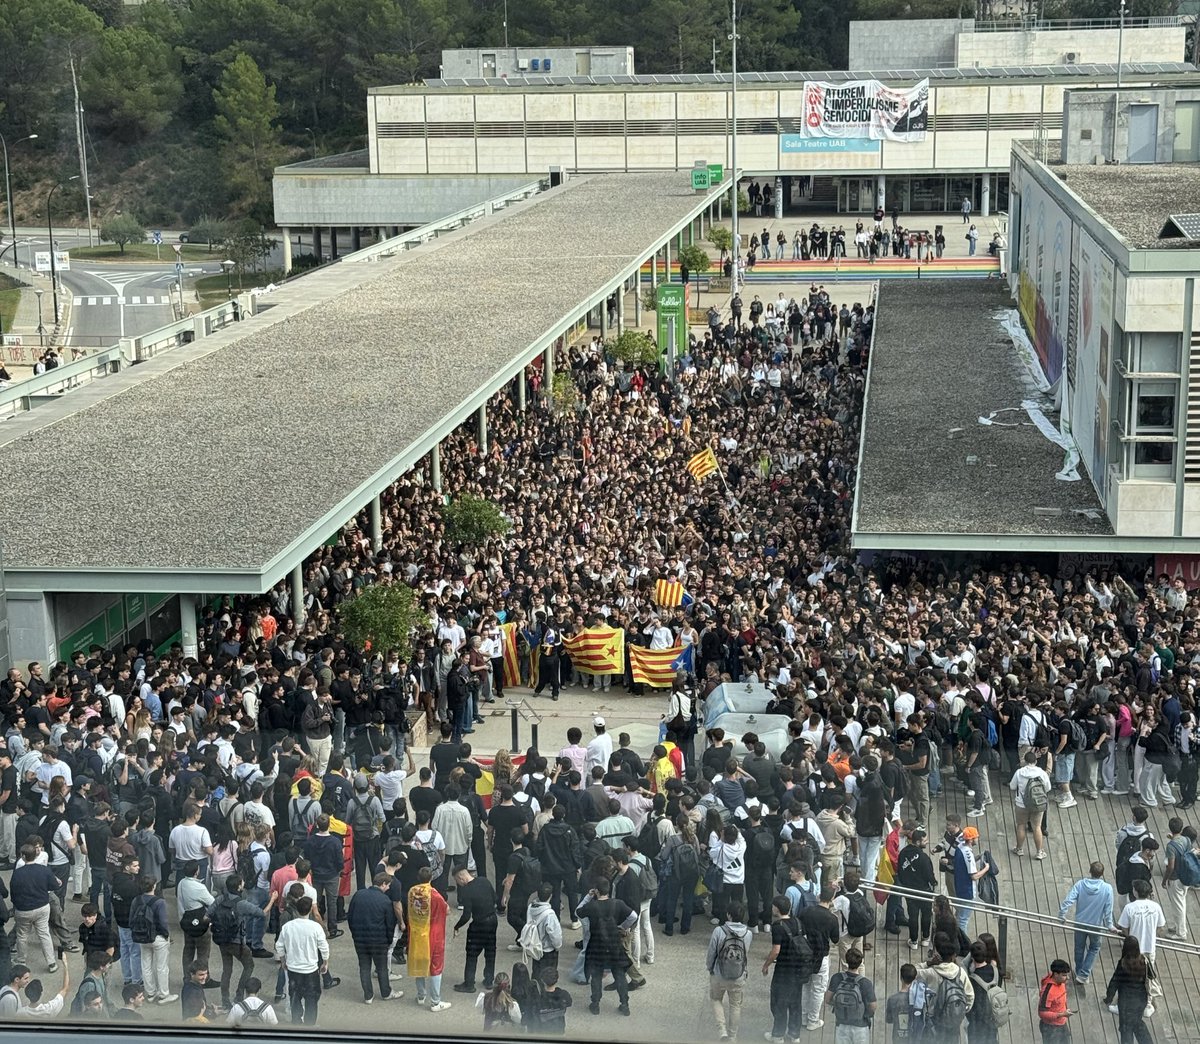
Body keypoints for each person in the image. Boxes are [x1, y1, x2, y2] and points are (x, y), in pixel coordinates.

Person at [208, 871, 274, 1010]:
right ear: (239, 887)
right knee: (249, 965)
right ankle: (239, 996)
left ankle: (225, 1001)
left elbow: (208, 915)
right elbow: (262, 913)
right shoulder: (241, 904)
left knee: (227, 970)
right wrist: (273, 899)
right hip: (237, 942)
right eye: (241, 883)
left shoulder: (220, 899)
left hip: (221, 940)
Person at [578, 876, 636, 1016]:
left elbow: (578, 912)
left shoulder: (592, 906)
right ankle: (624, 1004)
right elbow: (633, 916)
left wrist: (587, 896)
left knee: (596, 974)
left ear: (596, 891)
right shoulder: (618, 903)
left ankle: (596, 1004)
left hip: (596, 944)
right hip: (614, 943)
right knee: (619, 973)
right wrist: (622, 927)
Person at [347, 870, 402, 1004]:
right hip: (378, 940)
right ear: (383, 884)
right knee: (382, 967)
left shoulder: (358, 895)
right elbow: (390, 924)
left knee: (364, 967)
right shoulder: (385, 900)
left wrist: (355, 934)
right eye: (388, 885)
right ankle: (386, 992)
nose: (388, 888)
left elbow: (350, 917)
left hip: (360, 938)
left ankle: (368, 995)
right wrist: (389, 941)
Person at [762, 894, 810, 1042]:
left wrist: (766, 964)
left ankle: (778, 1034)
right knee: (795, 1002)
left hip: (783, 970)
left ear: (776, 908)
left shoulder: (778, 927)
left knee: (779, 1002)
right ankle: (794, 1034)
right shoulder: (798, 922)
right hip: (799, 969)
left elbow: (776, 950)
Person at [1058, 861, 1114, 987]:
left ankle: (1079, 972)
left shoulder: (1080, 884)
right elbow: (1108, 909)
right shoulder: (1107, 888)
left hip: (1080, 922)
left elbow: (1069, 900)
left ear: (1090, 871)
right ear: (1102, 874)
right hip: (1096, 925)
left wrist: (1062, 915)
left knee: (1079, 948)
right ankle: (1084, 974)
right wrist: (1109, 924)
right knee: (1094, 948)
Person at [274, 895, 328, 1024]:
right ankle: (310, 1024)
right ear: (310, 910)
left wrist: (283, 961)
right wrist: (325, 962)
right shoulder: (315, 927)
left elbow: (279, 945)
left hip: (293, 969)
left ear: (297, 910)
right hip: (310, 970)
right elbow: (324, 947)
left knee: (295, 998)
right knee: (312, 999)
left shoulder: (288, 927)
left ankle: (296, 1022)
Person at [706, 898, 751, 1042]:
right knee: (735, 1005)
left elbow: (712, 952)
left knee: (715, 999)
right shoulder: (748, 934)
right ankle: (732, 1036)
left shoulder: (719, 931)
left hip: (719, 974)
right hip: (738, 976)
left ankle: (722, 1031)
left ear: (728, 915)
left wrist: (710, 967)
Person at [408, 866, 451, 1012]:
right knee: (436, 968)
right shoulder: (435, 895)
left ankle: (421, 995)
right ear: (431, 878)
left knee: (420, 964)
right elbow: (447, 910)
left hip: (417, 933)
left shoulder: (412, 892)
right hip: (434, 935)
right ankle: (435, 1002)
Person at [130, 873, 178, 1004]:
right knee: (162, 967)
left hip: (142, 937)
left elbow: (131, 920)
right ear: (154, 886)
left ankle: (150, 993)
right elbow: (163, 922)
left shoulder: (136, 900)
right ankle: (164, 994)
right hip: (158, 938)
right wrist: (166, 935)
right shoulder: (159, 902)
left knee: (146, 965)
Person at [452, 865, 498, 992]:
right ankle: (489, 980)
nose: (459, 884)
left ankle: (469, 983)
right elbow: (495, 898)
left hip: (479, 925)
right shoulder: (484, 880)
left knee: (472, 954)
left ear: (461, 878)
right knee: (490, 951)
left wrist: (457, 926)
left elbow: (466, 915)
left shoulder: (466, 891)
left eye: (457, 881)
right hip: (492, 920)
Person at [1103, 936, 1153, 1042]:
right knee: (1137, 1022)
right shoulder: (1144, 960)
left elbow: (1115, 981)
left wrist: (1109, 998)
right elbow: (1151, 975)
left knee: (1126, 1028)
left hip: (1126, 1001)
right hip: (1141, 999)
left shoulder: (1123, 963)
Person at [897, 826, 937, 950]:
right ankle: (925, 938)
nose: (927, 842)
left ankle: (913, 941)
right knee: (926, 914)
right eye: (925, 841)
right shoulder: (924, 858)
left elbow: (900, 871)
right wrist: (933, 884)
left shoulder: (903, 852)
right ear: (918, 842)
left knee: (912, 916)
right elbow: (930, 876)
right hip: (924, 891)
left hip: (909, 890)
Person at [826, 946, 876, 1043]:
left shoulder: (837, 978)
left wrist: (840, 1004)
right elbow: (873, 1006)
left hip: (841, 1023)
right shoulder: (865, 983)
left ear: (846, 960)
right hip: (860, 1025)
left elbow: (828, 999)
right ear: (860, 962)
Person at [1037, 959, 1074, 1043]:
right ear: (1056, 974)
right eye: (1064, 975)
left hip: (1061, 1023)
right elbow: (1042, 1013)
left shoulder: (1060, 981)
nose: (1067, 978)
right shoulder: (1048, 991)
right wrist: (1061, 1014)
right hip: (1051, 1028)